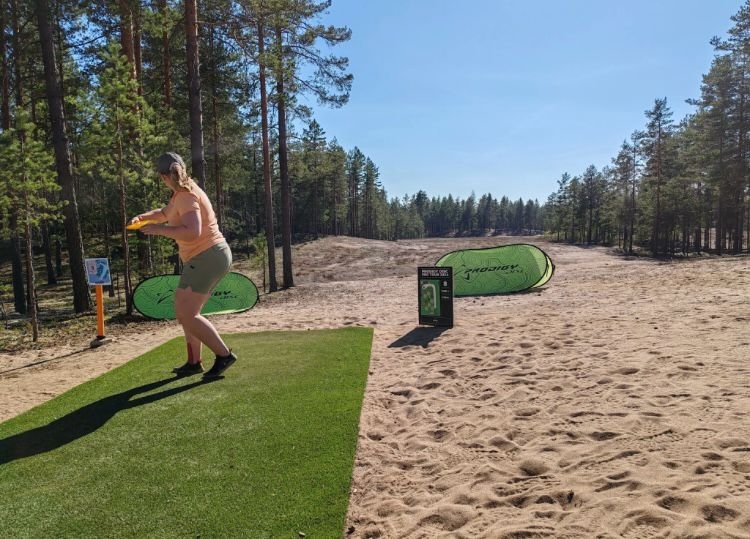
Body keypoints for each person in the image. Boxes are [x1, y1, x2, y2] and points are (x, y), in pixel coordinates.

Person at [127, 152, 236, 378]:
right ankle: (194, 362)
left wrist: (159, 230)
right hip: (212, 256)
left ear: (162, 176)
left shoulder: (186, 195)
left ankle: (224, 355)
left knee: (185, 313)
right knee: (189, 312)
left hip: (206, 256)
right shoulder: (182, 192)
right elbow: (164, 214)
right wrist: (143, 218)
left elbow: (192, 232)